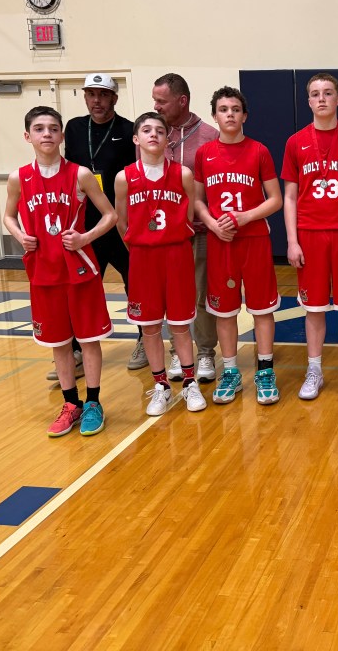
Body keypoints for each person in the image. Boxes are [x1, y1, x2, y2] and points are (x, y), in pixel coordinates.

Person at [2, 106, 116, 437]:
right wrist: (20, 234)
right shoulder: (17, 178)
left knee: (89, 338)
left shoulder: (80, 174)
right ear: (28, 136)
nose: (47, 134)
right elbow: (8, 216)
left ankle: (93, 401)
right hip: (43, 270)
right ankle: (71, 403)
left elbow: (109, 215)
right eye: (39, 129)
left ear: (62, 135)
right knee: (59, 341)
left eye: (53, 128)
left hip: (79, 268)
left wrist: (85, 236)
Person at [281, 72, 338, 400]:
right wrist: (292, 241)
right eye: (315, 93)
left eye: (328, 92)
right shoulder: (295, 142)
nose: (321, 98)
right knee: (314, 309)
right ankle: (315, 369)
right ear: (308, 101)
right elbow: (289, 197)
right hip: (310, 234)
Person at [47, 74, 141, 383]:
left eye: (103, 94)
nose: (97, 100)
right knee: (81, 289)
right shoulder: (73, 128)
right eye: (91, 94)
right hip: (85, 226)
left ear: (115, 98)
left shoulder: (128, 130)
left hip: (120, 223)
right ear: (85, 97)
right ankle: (75, 351)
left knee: (135, 283)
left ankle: (144, 338)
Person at [194, 86, 283, 405]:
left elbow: (276, 199)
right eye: (223, 109)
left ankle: (265, 369)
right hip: (221, 242)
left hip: (254, 240)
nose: (229, 114)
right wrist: (212, 223)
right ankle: (230, 370)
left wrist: (245, 217)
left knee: (262, 310)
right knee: (224, 311)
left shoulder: (259, 150)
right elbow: (197, 200)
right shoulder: (205, 154)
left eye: (235, 108)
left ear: (245, 115)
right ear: (215, 116)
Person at [115, 112, 205, 416]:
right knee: (150, 327)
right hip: (142, 257)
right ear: (136, 138)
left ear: (168, 140)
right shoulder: (124, 177)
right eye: (146, 130)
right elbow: (121, 221)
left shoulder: (183, 175)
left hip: (176, 254)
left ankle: (190, 382)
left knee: (180, 325)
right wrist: (140, 245)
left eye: (159, 131)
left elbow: (190, 216)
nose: (153, 134)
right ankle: (161, 386)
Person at [152, 73, 221, 383]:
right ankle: (178, 354)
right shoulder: (154, 134)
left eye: (161, 101)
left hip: (200, 230)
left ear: (182, 100)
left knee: (202, 294)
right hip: (165, 235)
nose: (156, 106)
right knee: (172, 296)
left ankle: (206, 352)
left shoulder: (209, 135)